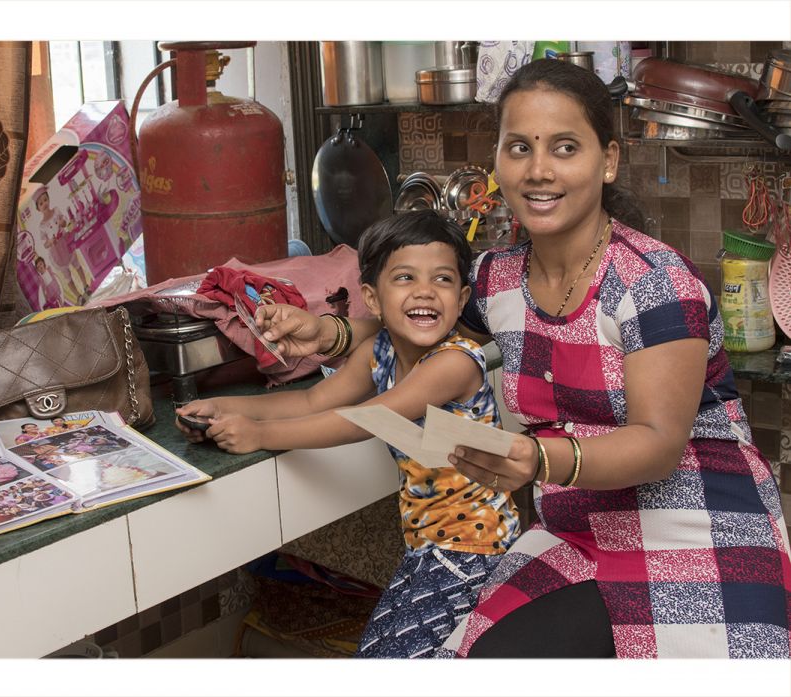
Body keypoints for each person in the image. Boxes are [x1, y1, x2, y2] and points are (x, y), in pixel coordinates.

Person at [255, 59, 791, 659]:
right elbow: (412, 323)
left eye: (565, 147)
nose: (539, 171)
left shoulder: (658, 284)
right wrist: (325, 333)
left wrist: (537, 458)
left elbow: (659, 444)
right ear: (498, 163)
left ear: (608, 160)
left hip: (698, 523)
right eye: (519, 148)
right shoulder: (496, 279)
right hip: (575, 525)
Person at [176, 210, 521, 658]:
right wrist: (224, 408)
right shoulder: (379, 351)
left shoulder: (454, 362)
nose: (424, 292)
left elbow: (367, 418)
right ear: (372, 299)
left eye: (442, 280)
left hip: (476, 550)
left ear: (462, 298)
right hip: (429, 549)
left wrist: (260, 434)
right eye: (404, 278)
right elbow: (312, 402)